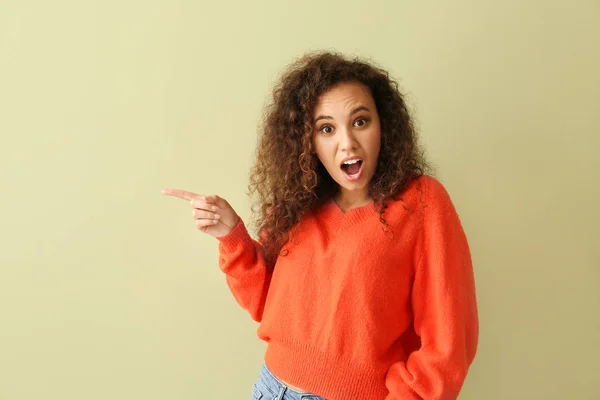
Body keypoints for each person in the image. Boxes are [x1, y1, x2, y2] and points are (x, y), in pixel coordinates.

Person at [162, 51, 479, 400]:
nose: (347, 142)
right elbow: (266, 304)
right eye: (326, 129)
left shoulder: (421, 202)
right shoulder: (299, 202)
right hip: (270, 389)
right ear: (308, 142)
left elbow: (448, 342)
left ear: (383, 125)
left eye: (360, 121)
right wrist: (232, 235)